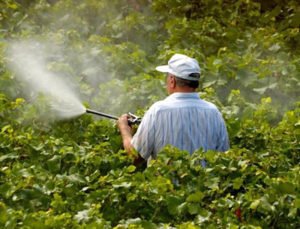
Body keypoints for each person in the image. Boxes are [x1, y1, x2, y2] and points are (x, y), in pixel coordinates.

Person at [117, 54, 229, 166]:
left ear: (172, 80)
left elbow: (135, 157)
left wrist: (124, 129)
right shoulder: (214, 112)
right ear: (196, 83)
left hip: (166, 183)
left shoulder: (158, 111)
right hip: (203, 183)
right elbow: (224, 159)